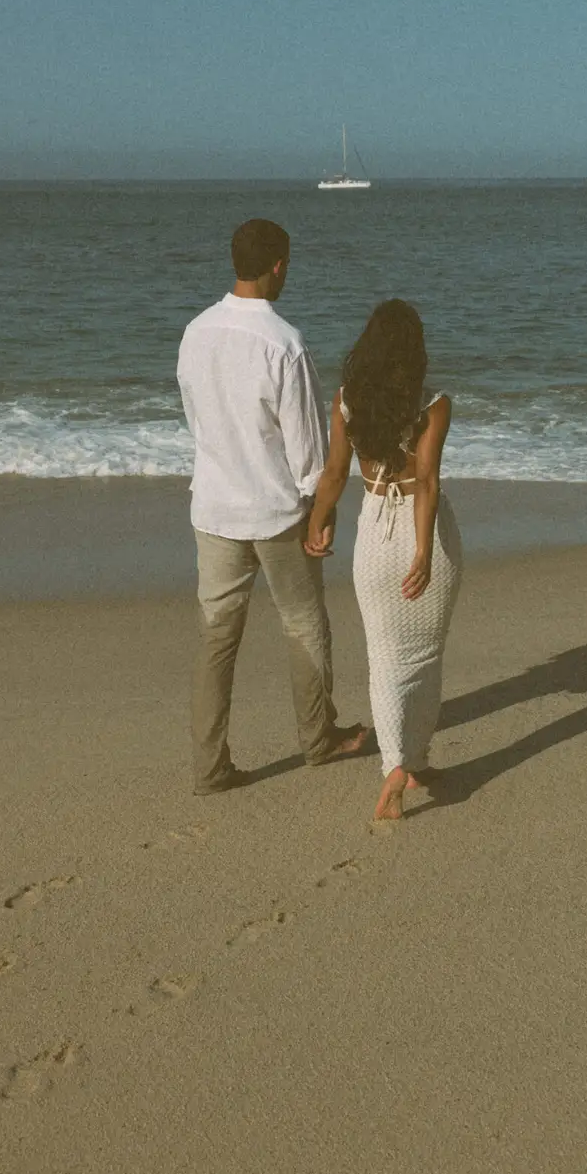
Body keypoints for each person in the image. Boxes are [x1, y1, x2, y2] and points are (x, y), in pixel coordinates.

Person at [176, 218, 366, 795]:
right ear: (278, 266)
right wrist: (321, 513)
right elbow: (308, 452)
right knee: (304, 623)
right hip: (275, 511)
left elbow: (196, 419)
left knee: (217, 640)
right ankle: (318, 737)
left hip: (214, 507)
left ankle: (209, 766)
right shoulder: (284, 342)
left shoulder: (195, 332)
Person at [305, 299, 463, 820]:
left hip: (375, 534)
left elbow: (332, 474)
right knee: (426, 656)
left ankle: (397, 764)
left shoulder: (348, 402)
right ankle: (413, 761)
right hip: (428, 535)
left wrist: (318, 520)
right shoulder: (433, 403)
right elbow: (429, 485)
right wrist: (422, 551)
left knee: (386, 659)